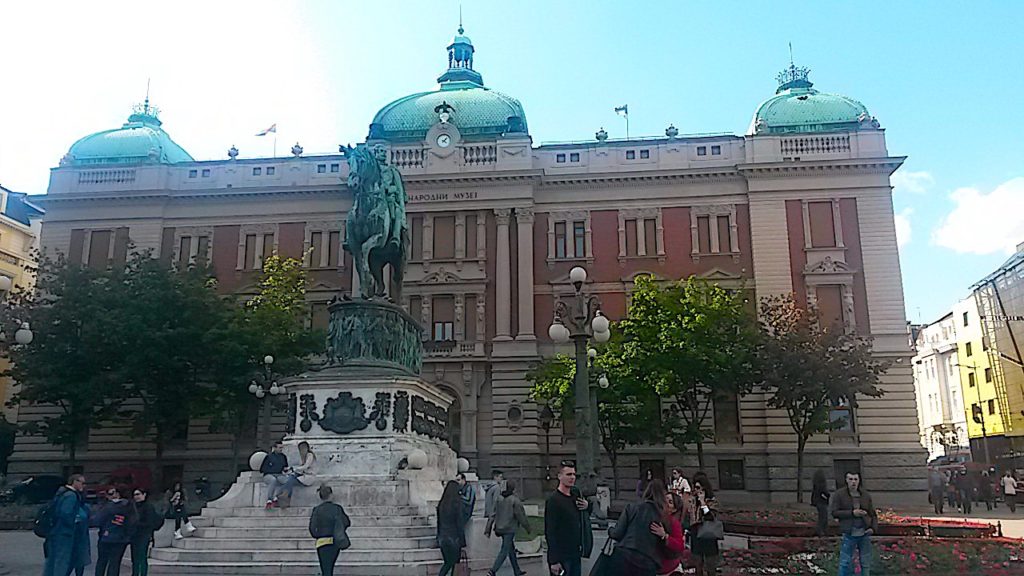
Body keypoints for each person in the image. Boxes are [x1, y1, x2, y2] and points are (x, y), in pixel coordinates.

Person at [608, 479, 667, 576]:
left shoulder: (632, 507)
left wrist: (610, 531)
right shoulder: (662, 515)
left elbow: (617, 533)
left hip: (625, 555)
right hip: (648, 561)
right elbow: (664, 544)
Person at [545, 461, 592, 576]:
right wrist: (554, 561)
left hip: (575, 553)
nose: (572, 478)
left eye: (574, 474)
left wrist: (587, 506)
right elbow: (550, 532)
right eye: (568, 474)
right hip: (561, 556)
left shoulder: (576, 495)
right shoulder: (553, 500)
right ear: (560, 476)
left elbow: (583, 517)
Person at [830, 471, 878, 576]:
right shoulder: (839, 495)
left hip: (864, 533)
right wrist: (852, 513)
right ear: (846, 480)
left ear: (859, 480)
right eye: (851, 479)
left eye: (855, 479)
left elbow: (873, 514)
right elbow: (834, 512)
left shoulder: (865, 495)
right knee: (845, 563)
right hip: (849, 533)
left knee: (865, 563)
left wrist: (873, 528)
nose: (853, 482)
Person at [43, 473, 91, 576]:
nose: (84, 485)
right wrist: (73, 523)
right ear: (75, 482)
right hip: (64, 533)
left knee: (52, 559)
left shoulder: (61, 493)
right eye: (82, 482)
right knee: (62, 560)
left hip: (55, 531)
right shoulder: (71, 496)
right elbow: (66, 513)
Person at [487, 480, 529, 576]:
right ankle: (492, 571)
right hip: (510, 528)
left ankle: (517, 570)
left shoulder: (499, 499)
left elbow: (492, 514)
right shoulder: (515, 500)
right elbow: (520, 515)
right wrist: (527, 527)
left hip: (499, 528)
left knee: (511, 549)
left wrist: (488, 528)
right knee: (505, 550)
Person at [93, 487, 138, 576]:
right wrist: (127, 534)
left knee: (102, 561)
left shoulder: (108, 507)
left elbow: (98, 520)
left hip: (106, 537)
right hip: (121, 539)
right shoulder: (130, 507)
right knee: (115, 563)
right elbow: (133, 522)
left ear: (117, 494)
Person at [308, 485, 351, 576]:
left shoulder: (317, 510)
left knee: (325, 569)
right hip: (335, 541)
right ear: (331, 495)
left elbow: (312, 528)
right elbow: (347, 522)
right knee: (330, 567)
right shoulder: (337, 508)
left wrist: (318, 535)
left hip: (322, 542)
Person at [687, 473, 720, 576]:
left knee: (710, 565)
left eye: (698, 487)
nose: (696, 490)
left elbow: (711, 516)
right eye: (694, 487)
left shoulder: (711, 501)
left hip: (708, 534)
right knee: (698, 564)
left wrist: (703, 503)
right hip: (696, 534)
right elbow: (690, 516)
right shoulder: (692, 500)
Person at [652, 492, 687, 576]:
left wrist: (665, 536)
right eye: (665, 498)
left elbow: (680, 546)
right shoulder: (653, 515)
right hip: (653, 566)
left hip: (669, 568)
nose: (666, 502)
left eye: (670, 502)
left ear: (674, 509)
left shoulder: (674, 523)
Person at [437, 480, 467, 576]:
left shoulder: (441, 505)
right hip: (454, 537)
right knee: (454, 564)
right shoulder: (457, 504)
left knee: (447, 563)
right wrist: (463, 541)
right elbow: (459, 524)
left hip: (443, 537)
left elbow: (439, 523)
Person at [130, 489, 161, 576]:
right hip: (134, 535)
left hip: (144, 535)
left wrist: (136, 524)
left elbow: (149, 523)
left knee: (142, 558)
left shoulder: (148, 507)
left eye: (138, 494)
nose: (136, 496)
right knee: (135, 559)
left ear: (144, 494)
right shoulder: (133, 506)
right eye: (135, 495)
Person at [278, 441, 317, 507]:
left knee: (291, 480)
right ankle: (285, 496)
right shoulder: (303, 457)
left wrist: (294, 469)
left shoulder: (310, 455)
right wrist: (290, 469)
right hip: (303, 475)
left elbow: (306, 466)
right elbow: (300, 468)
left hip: (309, 476)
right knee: (290, 478)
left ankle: (285, 496)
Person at [261, 441, 290, 509]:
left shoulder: (283, 457)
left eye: (281, 448)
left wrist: (286, 470)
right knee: (273, 480)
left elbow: (285, 467)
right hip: (268, 475)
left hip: (279, 474)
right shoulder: (269, 456)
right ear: (275, 448)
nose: (281, 449)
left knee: (287, 481)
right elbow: (263, 469)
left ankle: (277, 497)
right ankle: (269, 499)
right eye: (279, 448)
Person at [483, 469, 505, 537]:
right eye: (500, 477)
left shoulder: (489, 487)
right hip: (493, 513)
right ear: (495, 477)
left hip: (487, 510)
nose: (501, 479)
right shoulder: (497, 488)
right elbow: (496, 501)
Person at [811, 470, 831, 537]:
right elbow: (825, 492)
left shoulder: (815, 484)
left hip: (817, 502)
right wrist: (828, 495)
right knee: (824, 517)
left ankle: (823, 531)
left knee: (822, 517)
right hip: (822, 502)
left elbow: (814, 493)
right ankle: (821, 531)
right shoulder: (822, 484)